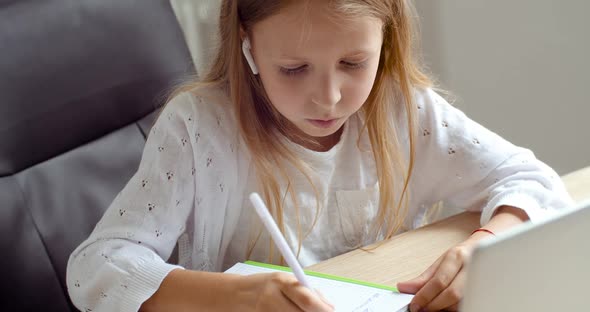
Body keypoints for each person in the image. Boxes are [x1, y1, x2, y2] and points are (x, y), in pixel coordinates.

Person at [66, 0, 573, 311]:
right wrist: (240, 299)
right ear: (246, 45)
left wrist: (482, 246)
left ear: (386, 40)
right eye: (293, 68)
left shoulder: (400, 110)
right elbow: (96, 268)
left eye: (354, 62)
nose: (328, 97)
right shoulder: (198, 130)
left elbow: (534, 180)